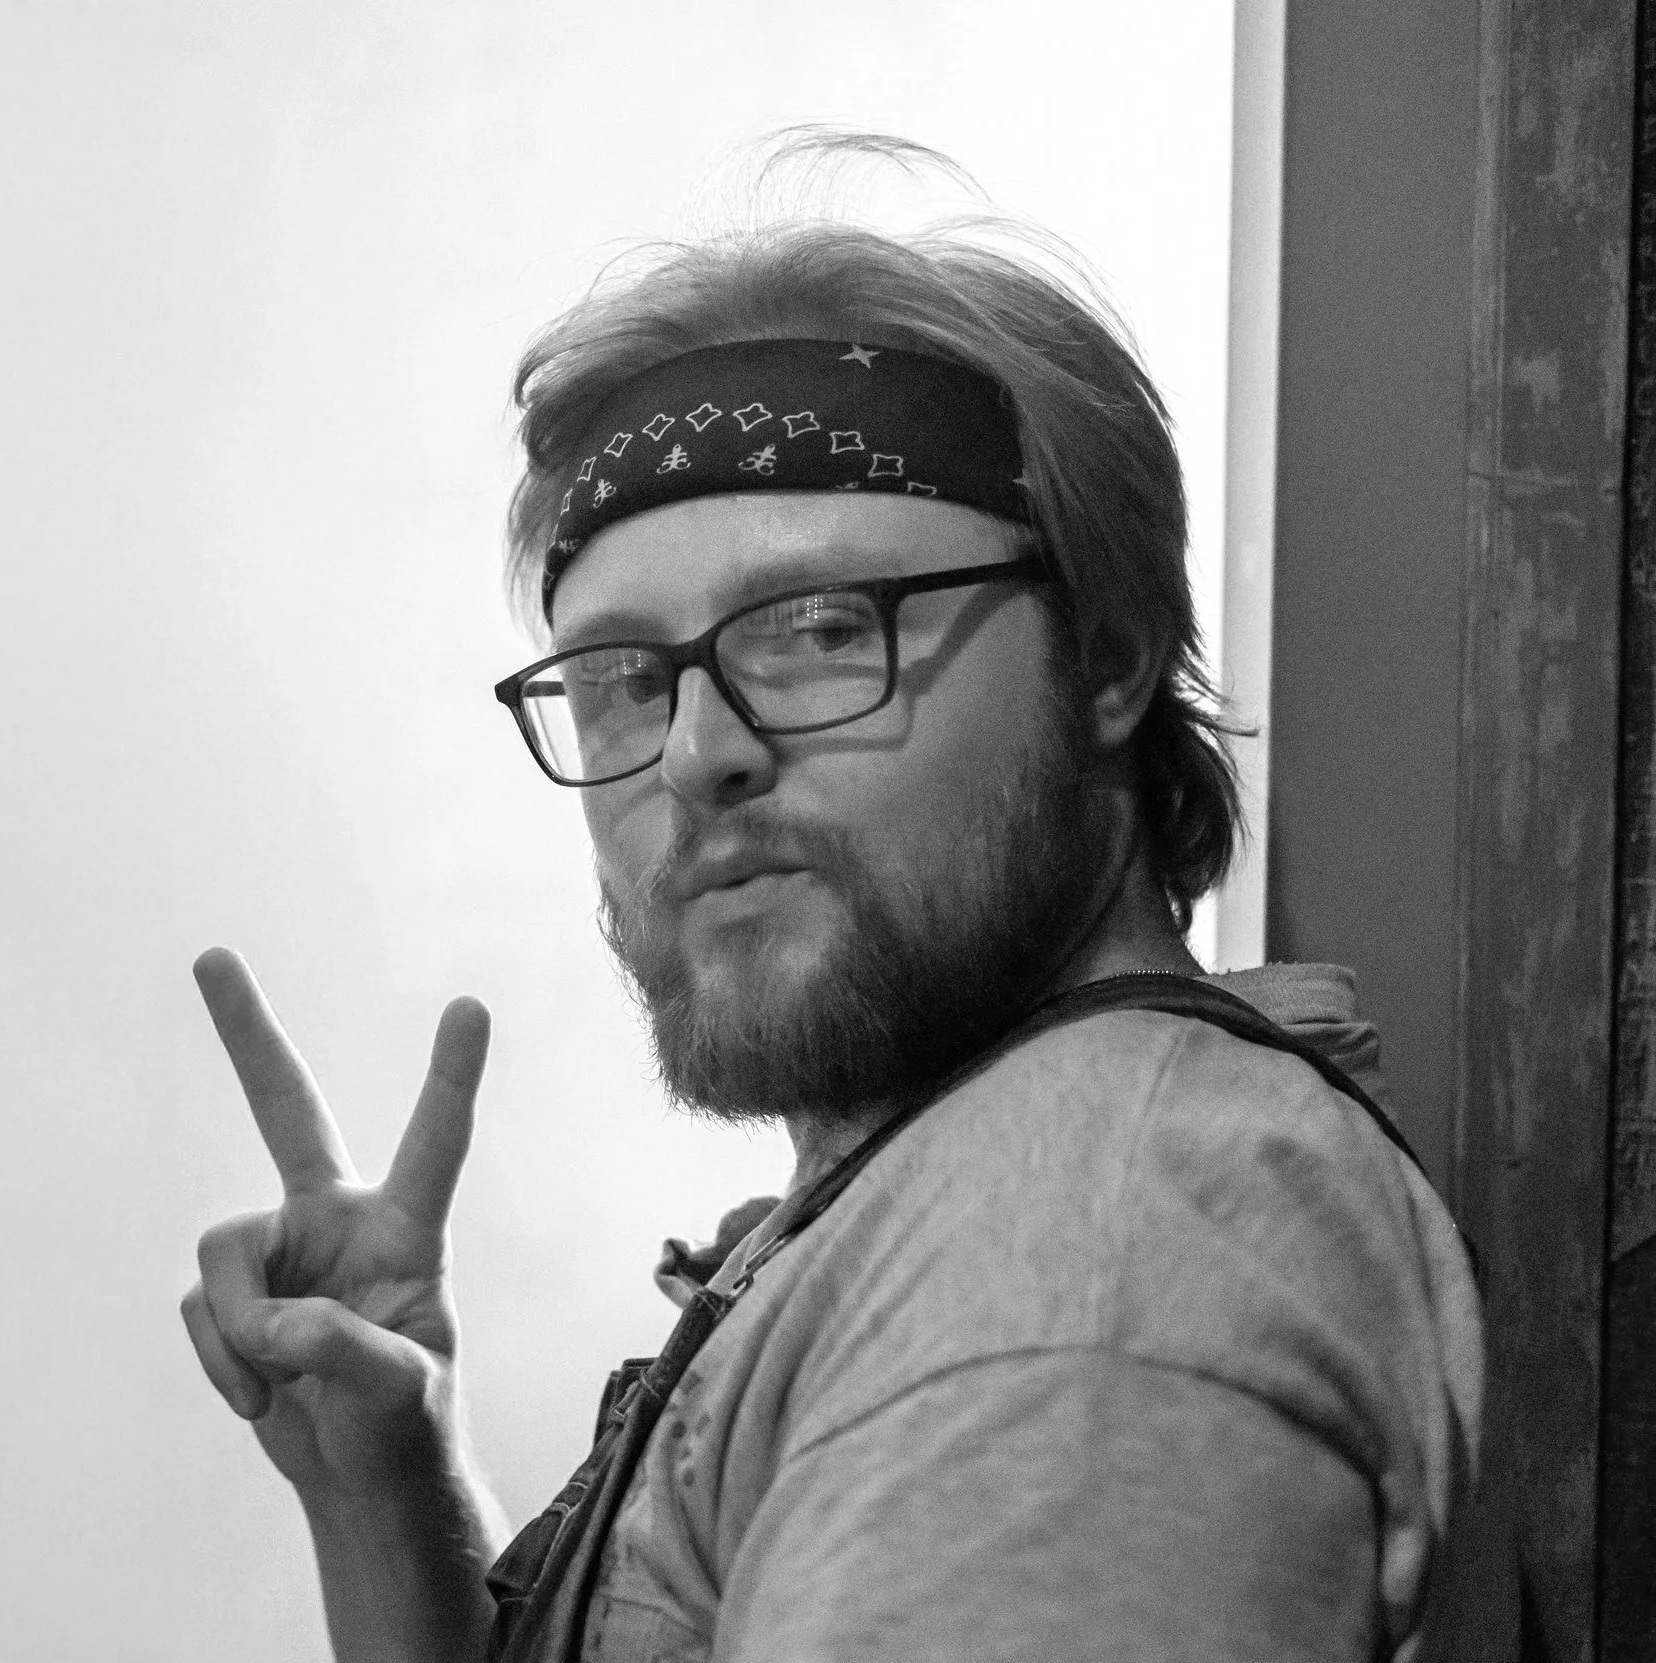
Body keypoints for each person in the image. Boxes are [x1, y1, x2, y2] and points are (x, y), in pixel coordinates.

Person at [178, 141, 1483, 1663]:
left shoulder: (1068, 1266)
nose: (697, 752)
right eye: (622, 678)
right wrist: (385, 1495)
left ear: (1109, 659)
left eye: (818, 628)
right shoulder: (929, 1200)